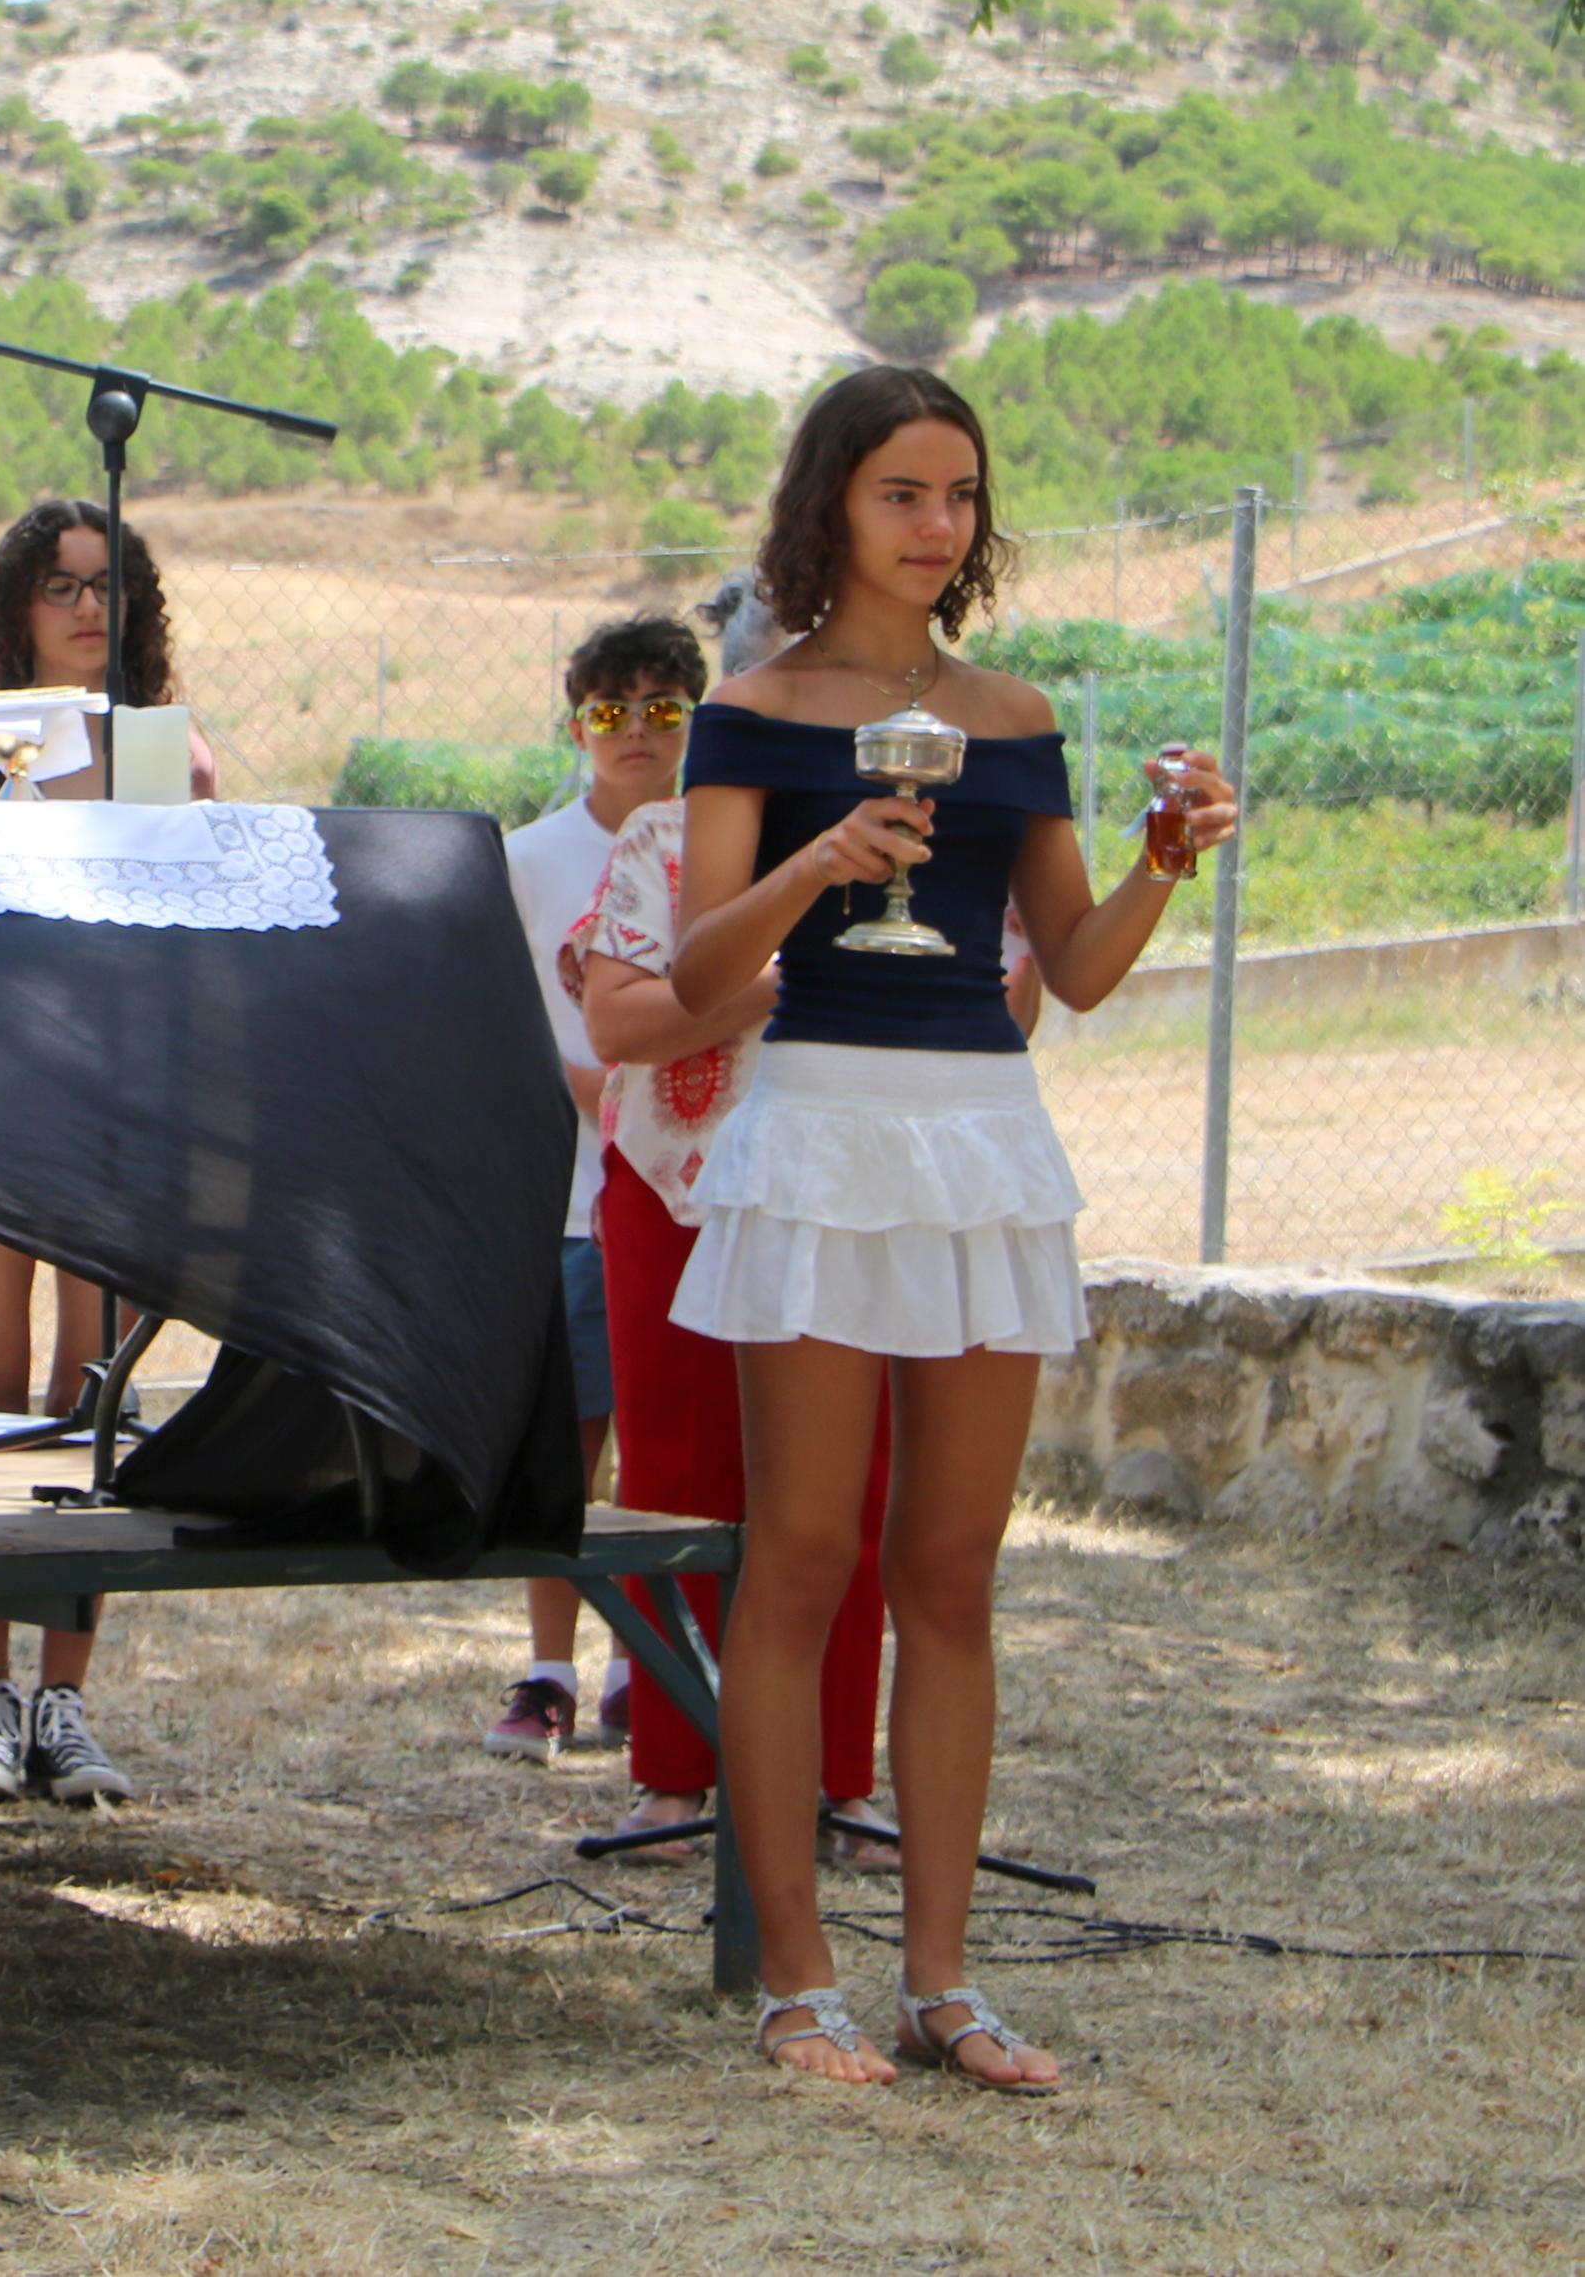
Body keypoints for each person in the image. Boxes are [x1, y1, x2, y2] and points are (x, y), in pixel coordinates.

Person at [666, 364, 1236, 2090]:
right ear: (832, 501)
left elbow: (1069, 968)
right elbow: (695, 979)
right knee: (803, 1564)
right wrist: (810, 866)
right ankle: (793, 1983)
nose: (936, 524)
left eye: (960, 495)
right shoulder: (750, 709)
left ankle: (940, 1985)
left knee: (953, 1578)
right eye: (902, 491)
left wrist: (1158, 858)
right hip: (817, 1132)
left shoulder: (1011, 713)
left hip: (982, 1141)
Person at [0, 501, 219, 1805]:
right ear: (13, 608)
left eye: (106, 585)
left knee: (91, 1388)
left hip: (121, 1102)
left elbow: (193, 917)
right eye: (57, 586)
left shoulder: (163, 748)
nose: (85, 608)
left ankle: (65, 1704)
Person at [475, 617, 700, 1763]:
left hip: (679, 1192)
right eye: (610, 709)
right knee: (565, 1442)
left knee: (660, 1444)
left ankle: (641, 1673)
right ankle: (548, 1667)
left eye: (663, 708)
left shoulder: (715, 849)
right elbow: (499, 1012)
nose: (635, 731)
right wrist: (593, 1093)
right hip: (567, 1191)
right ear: (576, 725)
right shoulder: (526, 858)